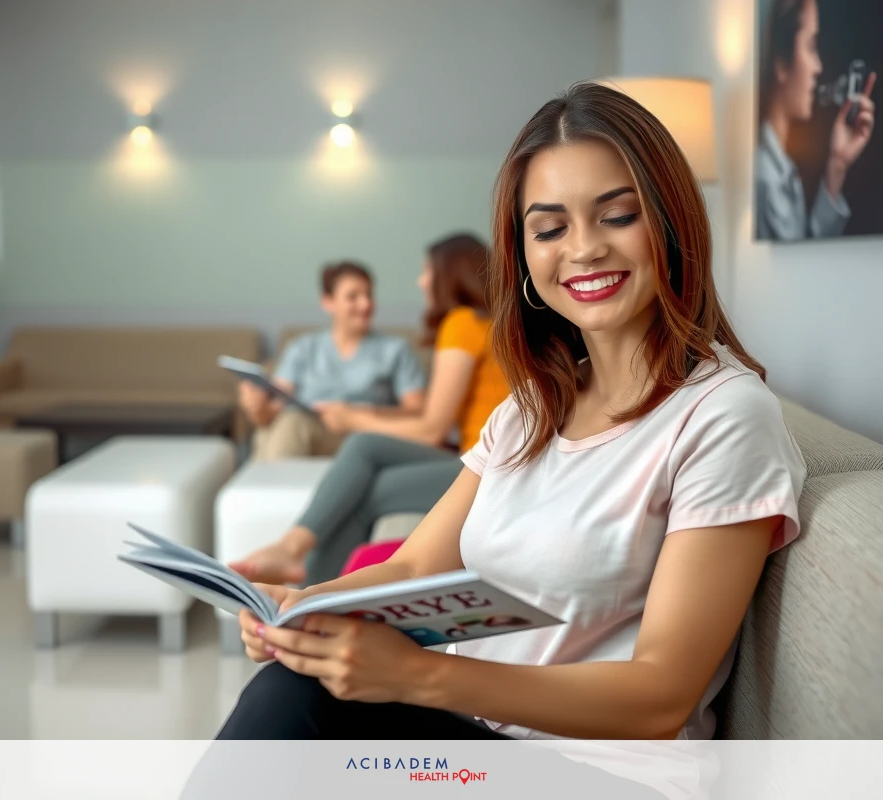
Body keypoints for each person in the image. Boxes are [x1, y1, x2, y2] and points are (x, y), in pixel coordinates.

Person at [219, 82, 806, 743]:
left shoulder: (724, 416)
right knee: (294, 683)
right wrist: (303, 611)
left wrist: (416, 677)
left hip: (595, 773)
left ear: (670, 223)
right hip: (477, 740)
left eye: (617, 216)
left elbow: (660, 693)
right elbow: (414, 568)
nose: (582, 249)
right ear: (524, 256)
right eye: (550, 228)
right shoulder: (532, 408)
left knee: (297, 706)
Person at [230, 233, 507, 586]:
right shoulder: (493, 323)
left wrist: (354, 417)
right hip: (482, 456)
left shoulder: (462, 324)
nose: (421, 281)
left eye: (427, 272)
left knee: (364, 491)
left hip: (486, 466)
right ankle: (293, 554)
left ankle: (309, 596)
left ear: (448, 275)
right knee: (362, 445)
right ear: (328, 302)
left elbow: (432, 428)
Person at [239, 261, 426, 460]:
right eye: (353, 297)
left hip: (360, 436)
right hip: (305, 429)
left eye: (369, 295)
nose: (365, 304)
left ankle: (262, 489)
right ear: (328, 302)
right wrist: (258, 408)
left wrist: (357, 414)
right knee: (270, 430)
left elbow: (417, 412)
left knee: (289, 426)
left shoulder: (395, 349)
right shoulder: (303, 347)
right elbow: (274, 408)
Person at [756, 0, 876, 240]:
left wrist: (838, 164)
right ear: (781, 62)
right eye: (811, 47)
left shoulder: (782, 170)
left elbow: (802, 248)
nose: (818, 67)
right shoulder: (765, 178)